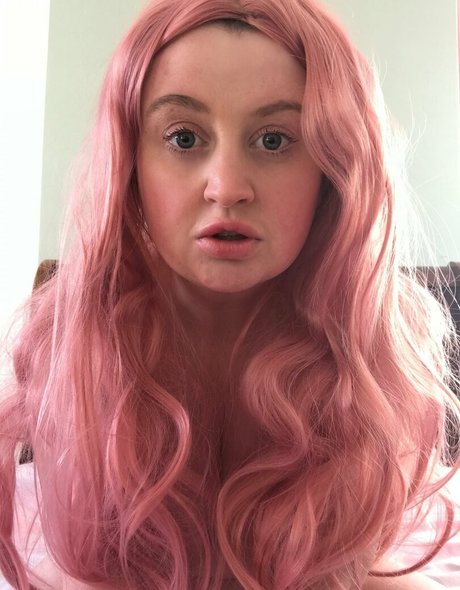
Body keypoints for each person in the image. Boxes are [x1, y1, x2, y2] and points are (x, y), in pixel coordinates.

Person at [0, 0, 459, 588]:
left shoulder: (381, 350)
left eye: (274, 139)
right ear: (131, 162)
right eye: (183, 136)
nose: (227, 187)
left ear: (332, 170)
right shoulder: (72, 343)